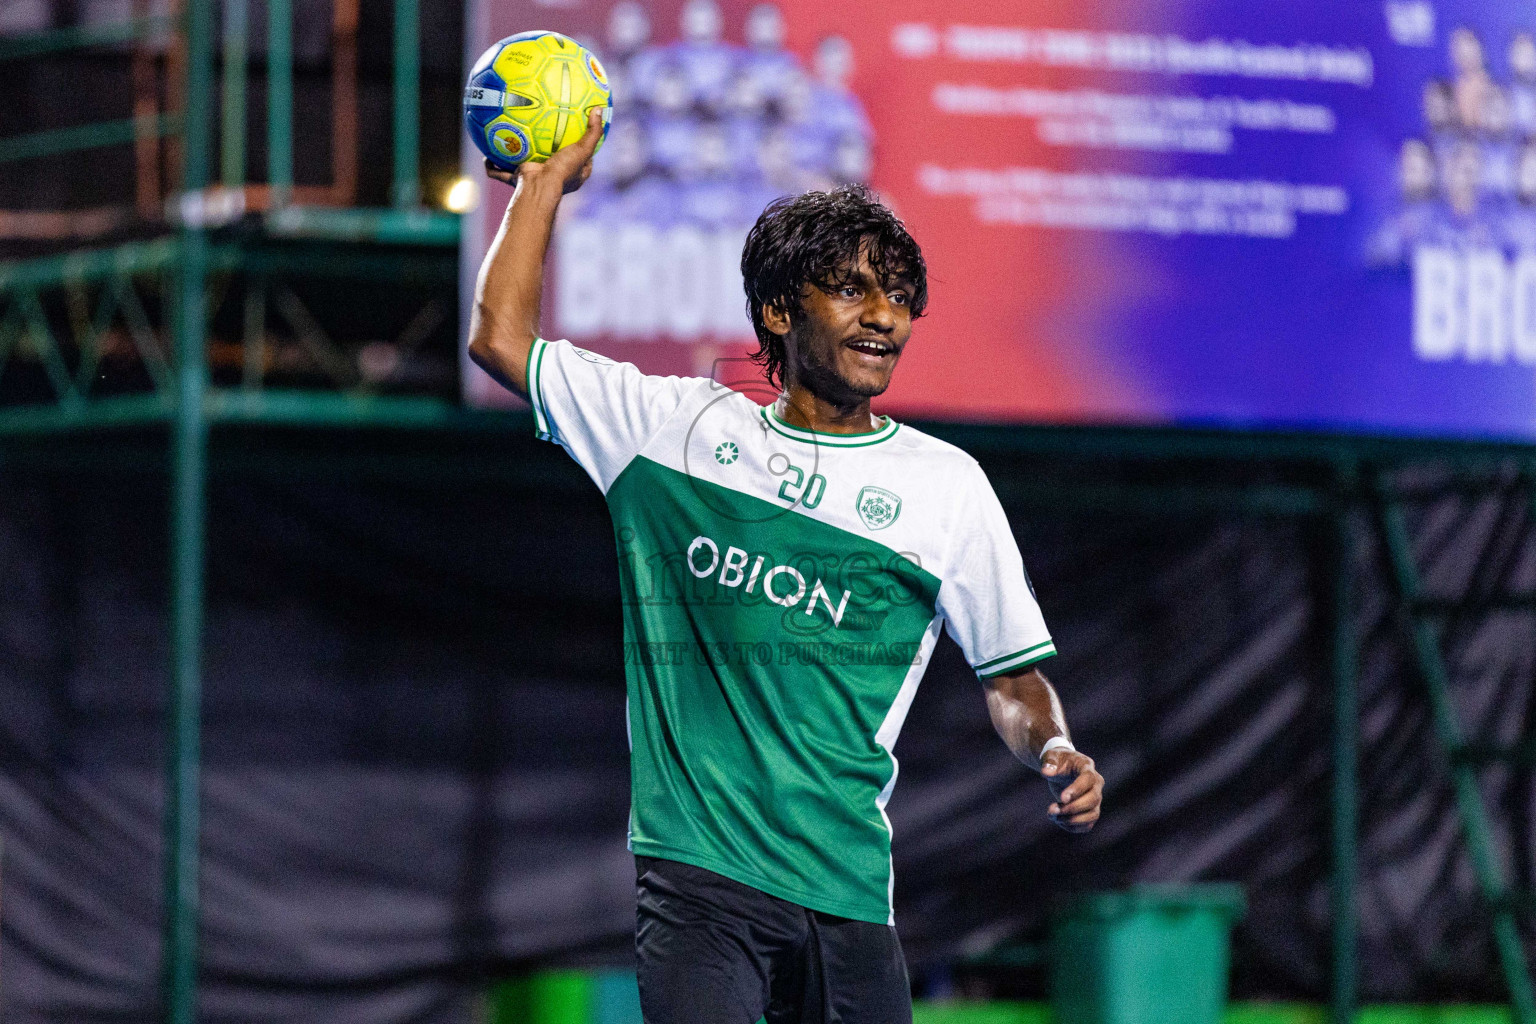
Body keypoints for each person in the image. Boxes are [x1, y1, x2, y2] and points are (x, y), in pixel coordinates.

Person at [467, 113, 1104, 1024]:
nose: (883, 314)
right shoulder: (668, 432)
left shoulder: (948, 487)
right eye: (850, 290)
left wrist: (1053, 744)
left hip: (847, 895)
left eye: (897, 297)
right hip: (700, 884)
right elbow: (499, 337)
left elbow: (1012, 675)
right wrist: (542, 184)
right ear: (777, 311)